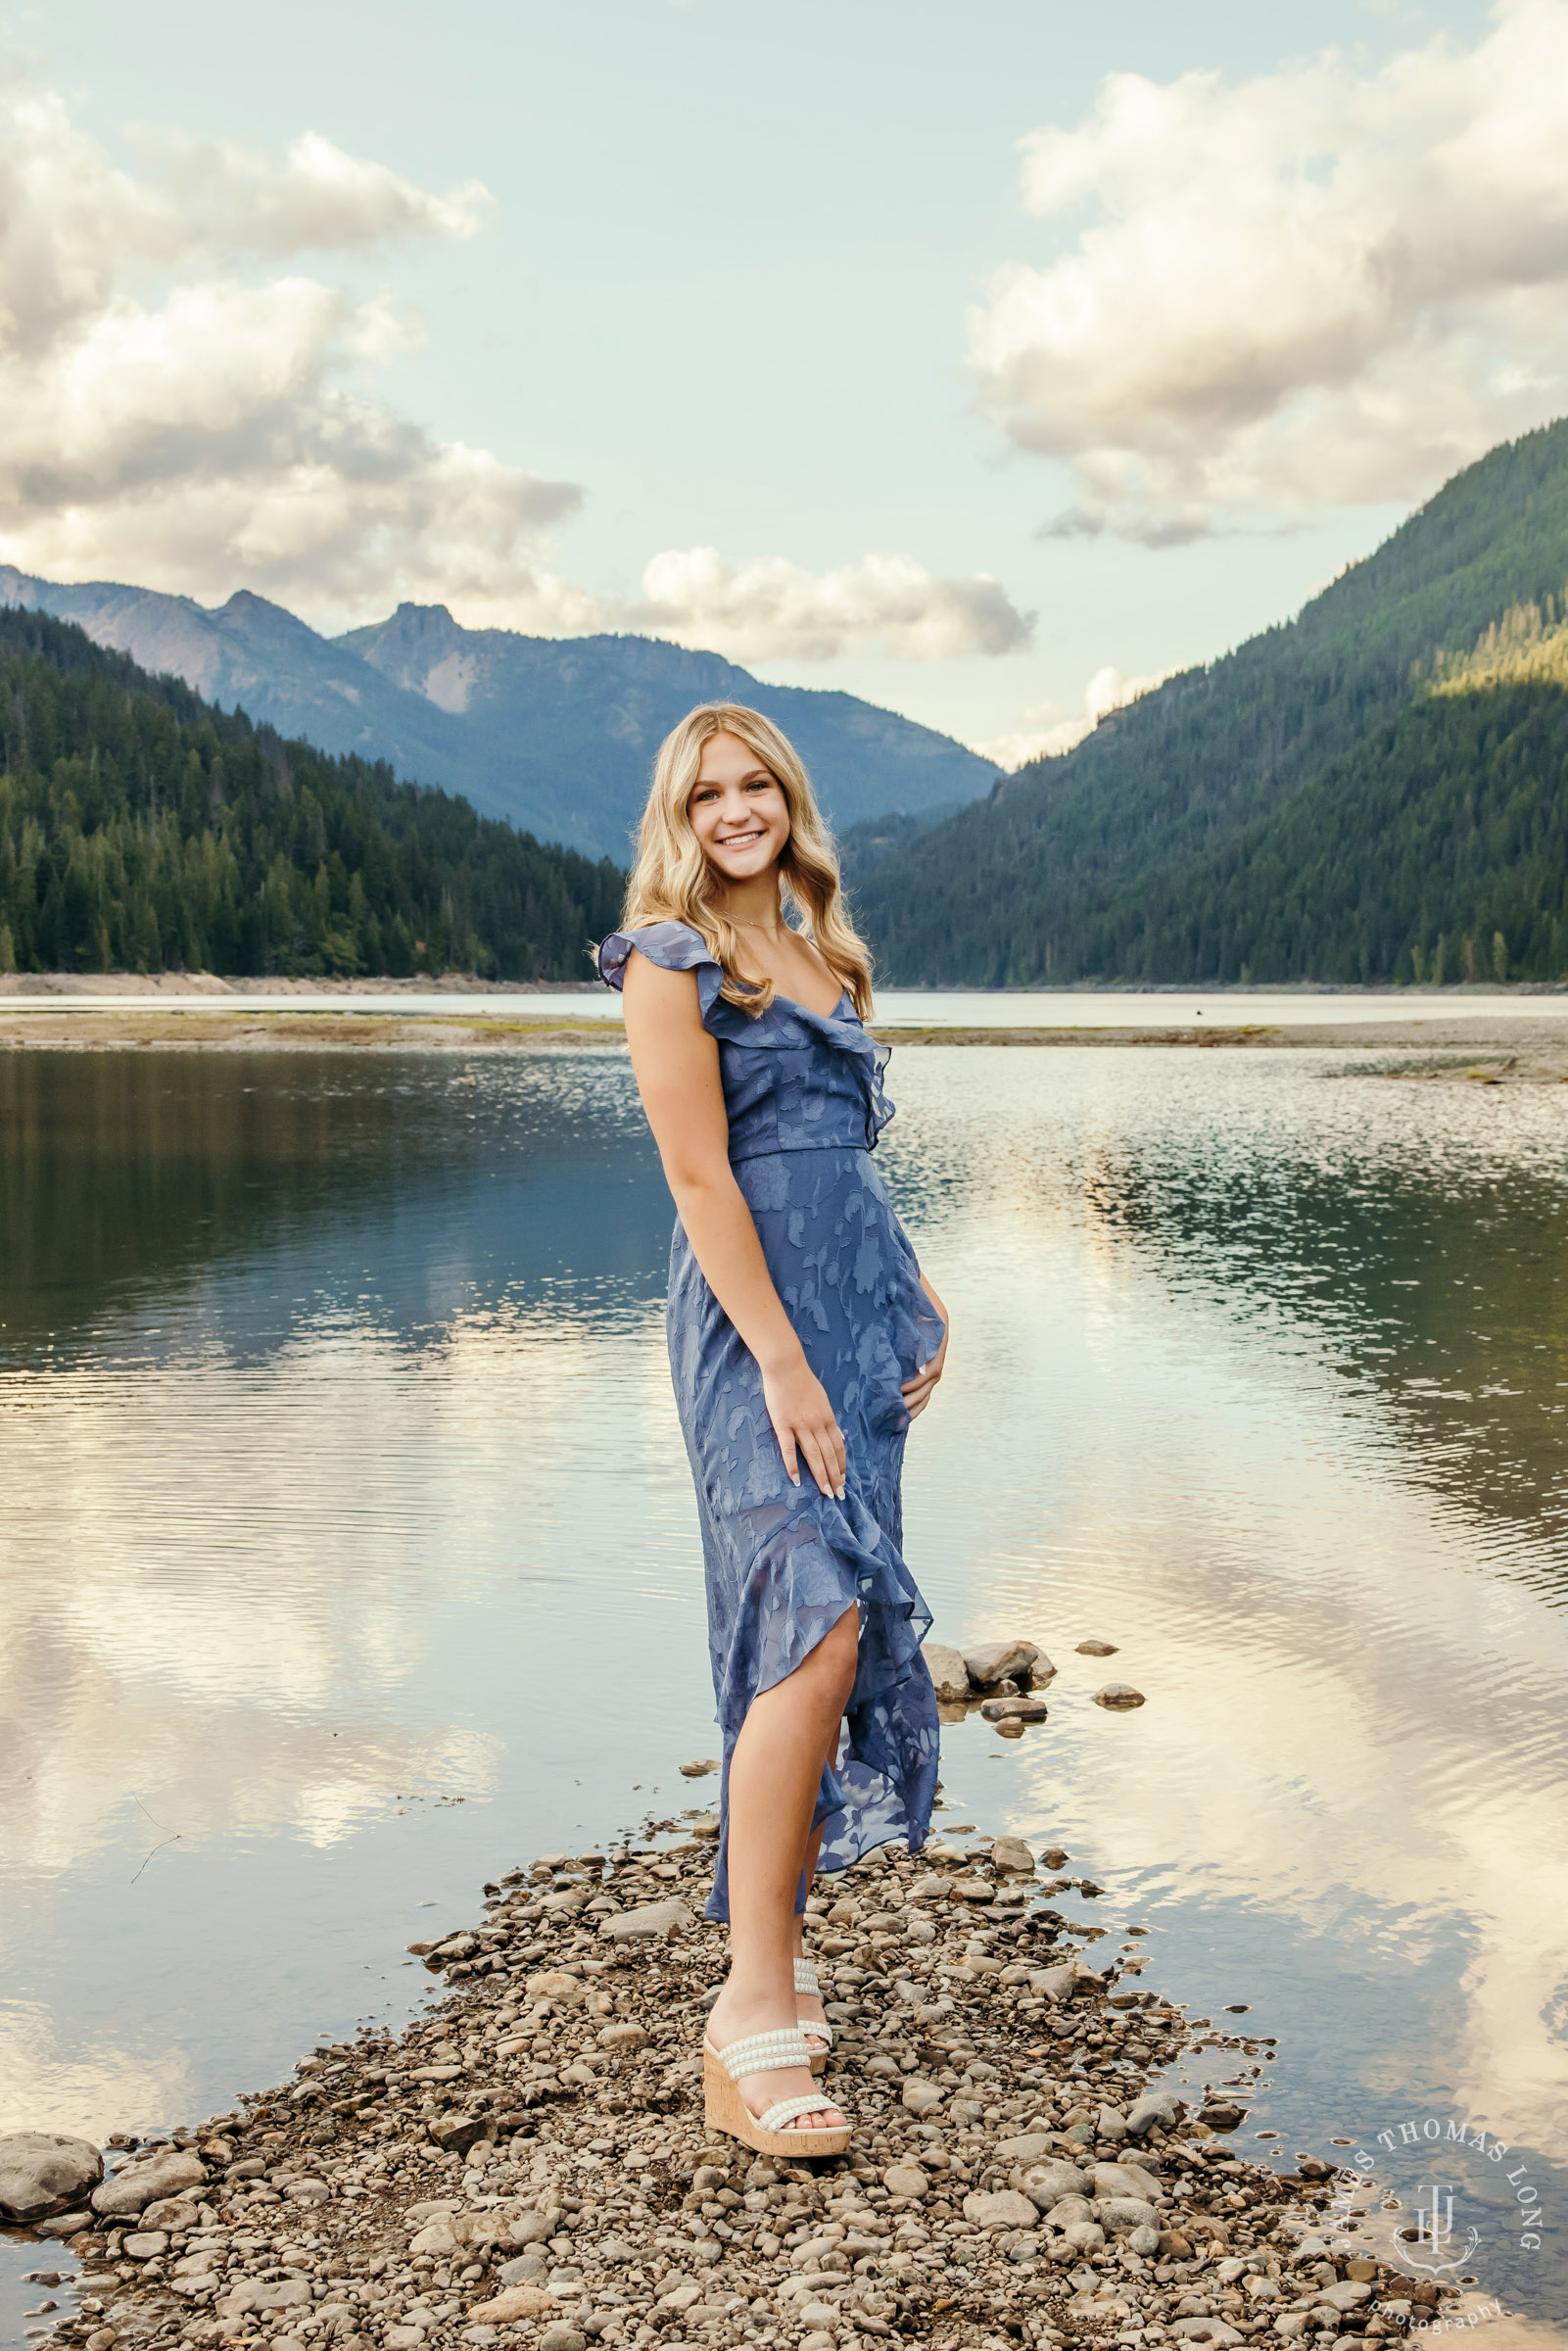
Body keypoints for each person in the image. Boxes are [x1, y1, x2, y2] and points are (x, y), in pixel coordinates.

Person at [596, 702, 948, 2158]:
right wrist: (787, 1363)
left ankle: (778, 1962)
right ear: (673, 821)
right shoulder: (667, 965)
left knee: (849, 1623)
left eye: (754, 786)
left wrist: (914, 1282)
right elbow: (699, 1176)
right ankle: (749, 2010)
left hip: (856, 1320)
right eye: (705, 794)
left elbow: (844, 1164)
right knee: (800, 1620)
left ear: (788, 803)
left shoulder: (828, 958)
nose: (732, 810)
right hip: (755, 1335)